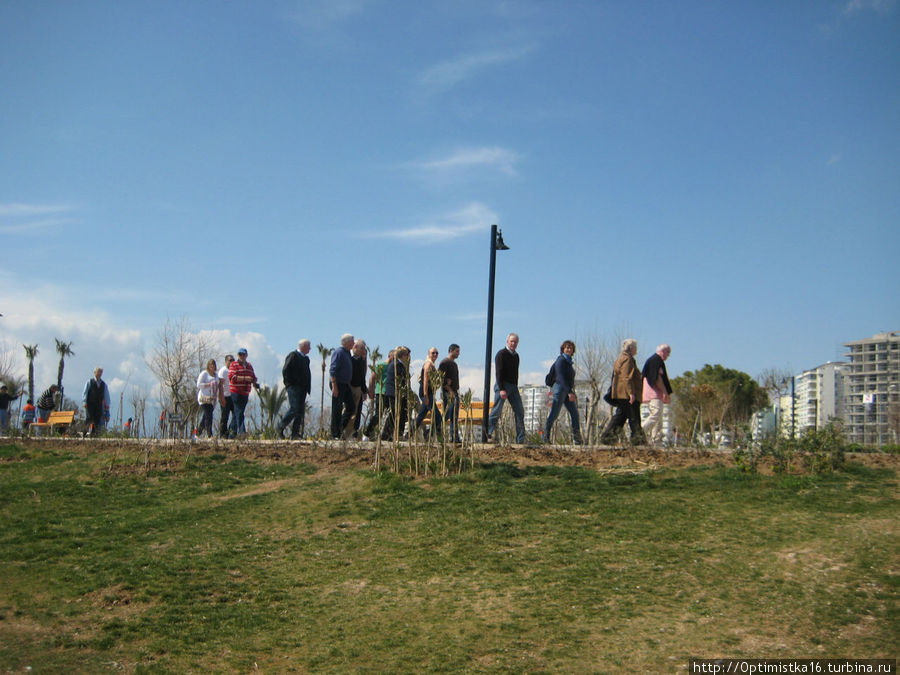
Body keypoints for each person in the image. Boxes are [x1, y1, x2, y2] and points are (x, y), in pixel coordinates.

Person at [600, 339, 645, 445]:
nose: (637, 350)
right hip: (625, 394)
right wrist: (631, 393)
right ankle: (638, 440)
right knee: (634, 417)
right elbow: (626, 377)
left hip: (621, 393)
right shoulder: (627, 359)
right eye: (636, 347)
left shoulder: (622, 358)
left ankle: (608, 438)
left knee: (621, 417)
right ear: (631, 348)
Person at [486, 333, 526, 444]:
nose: (513, 343)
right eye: (511, 341)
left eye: (515, 342)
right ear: (507, 341)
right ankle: (487, 433)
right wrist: (502, 388)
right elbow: (498, 372)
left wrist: (515, 387)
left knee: (520, 411)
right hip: (502, 385)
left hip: (513, 387)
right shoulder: (501, 354)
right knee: (497, 410)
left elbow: (516, 373)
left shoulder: (516, 356)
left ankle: (521, 439)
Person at [543, 340, 583, 445]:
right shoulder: (561, 360)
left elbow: (569, 380)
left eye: (571, 348)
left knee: (574, 414)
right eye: (567, 347)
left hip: (567, 390)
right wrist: (570, 392)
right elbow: (560, 377)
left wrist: (571, 391)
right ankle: (545, 437)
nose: (569, 349)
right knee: (554, 414)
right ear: (563, 349)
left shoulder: (569, 362)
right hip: (560, 389)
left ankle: (577, 439)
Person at [279, 339, 312, 440]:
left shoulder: (306, 359)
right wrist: (289, 383)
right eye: (308, 346)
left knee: (300, 411)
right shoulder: (293, 355)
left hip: (303, 388)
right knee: (294, 408)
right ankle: (280, 427)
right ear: (303, 346)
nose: (310, 348)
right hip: (293, 387)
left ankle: (295, 434)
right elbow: (286, 370)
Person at [641, 344, 673, 446]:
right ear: (663, 351)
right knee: (656, 413)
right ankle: (640, 430)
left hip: (655, 393)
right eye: (668, 352)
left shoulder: (656, 361)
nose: (668, 355)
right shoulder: (656, 361)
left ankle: (655, 442)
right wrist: (665, 392)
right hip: (653, 393)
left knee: (658, 419)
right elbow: (657, 379)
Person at [381, 346, 410, 441]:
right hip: (395, 393)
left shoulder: (398, 364)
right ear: (403, 355)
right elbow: (399, 380)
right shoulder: (397, 365)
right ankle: (388, 434)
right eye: (407, 355)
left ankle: (394, 434)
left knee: (400, 414)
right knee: (395, 414)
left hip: (396, 392)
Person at [329, 334, 355, 439]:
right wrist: (334, 385)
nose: (353, 344)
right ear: (346, 342)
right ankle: (334, 433)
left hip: (345, 384)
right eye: (352, 341)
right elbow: (333, 369)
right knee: (337, 408)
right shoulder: (338, 352)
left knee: (351, 407)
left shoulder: (348, 353)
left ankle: (340, 427)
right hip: (338, 383)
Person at [228, 348, 258, 438]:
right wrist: (245, 378)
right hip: (236, 391)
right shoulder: (234, 364)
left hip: (245, 392)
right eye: (240, 354)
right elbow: (232, 377)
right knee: (239, 411)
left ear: (246, 355)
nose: (242, 356)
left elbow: (253, 376)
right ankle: (242, 432)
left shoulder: (249, 365)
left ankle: (231, 434)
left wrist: (254, 380)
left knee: (237, 413)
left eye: (243, 354)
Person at [414, 347, 442, 439]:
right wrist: (426, 395)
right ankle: (431, 434)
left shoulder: (432, 364)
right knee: (438, 417)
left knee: (421, 416)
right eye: (433, 353)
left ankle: (408, 433)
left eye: (436, 353)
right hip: (426, 393)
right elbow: (425, 380)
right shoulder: (428, 364)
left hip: (428, 393)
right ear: (429, 354)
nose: (435, 355)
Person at [364, 349, 393, 439]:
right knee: (378, 414)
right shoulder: (381, 366)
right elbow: (372, 378)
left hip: (390, 393)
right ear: (390, 356)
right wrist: (370, 390)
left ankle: (386, 434)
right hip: (380, 392)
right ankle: (367, 432)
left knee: (390, 414)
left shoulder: (394, 367)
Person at [438, 344, 461, 443]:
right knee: (447, 415)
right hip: (448, 393)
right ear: (451, 351)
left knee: (454, 416)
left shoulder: (454, 364)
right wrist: (450, 391)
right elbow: (441, 380)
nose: (458, 353)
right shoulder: (444, 363)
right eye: (457, 351)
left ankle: (454, 437)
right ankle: (434, 430)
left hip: (454, 392)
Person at [348, 339, 368, 439]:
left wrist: (364, 391)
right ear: (355, 347)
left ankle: (354, 433)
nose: (363, 352)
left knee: (357, 411)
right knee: (348, 410)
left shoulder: (360, 360)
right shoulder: (348, 357)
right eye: (362, 349)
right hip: (349, 386)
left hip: (358, 387)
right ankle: (344, 431)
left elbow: (362, 376)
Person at [82, 367, 110, 436]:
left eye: (101, 372)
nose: (99, 374)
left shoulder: (103, 384)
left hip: (99, 404)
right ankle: (84, 433)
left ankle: (94, 434)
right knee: (89, 418)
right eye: (98, 372)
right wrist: (84, 402)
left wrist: (107, 407)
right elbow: (85, 392)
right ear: (95, 373)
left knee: (97, 419)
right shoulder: (89, 381)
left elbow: (106, 396)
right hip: (90, 403)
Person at [196, 359, 218, 438]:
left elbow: (218, 384)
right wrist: (208, 384)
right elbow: (198, 384)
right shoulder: (204, 374)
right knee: (209, 416)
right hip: (204, 398)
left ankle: (198, 433)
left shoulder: (216, 375)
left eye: (213, 364)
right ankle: (209, 434)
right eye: (210, 364)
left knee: (205, 416)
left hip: (212, 398)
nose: (212, 366)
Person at [217, 354, 235, 438]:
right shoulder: (223, 371)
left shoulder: (234, 371)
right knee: (225, 417)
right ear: (226, 361)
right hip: (225, 396)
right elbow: (220, 386)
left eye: (233, 360)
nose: (232, 362)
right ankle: (223, 435)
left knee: (236, 415)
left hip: (233, 396)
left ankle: (230, 431)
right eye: (230, 360)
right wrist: (221, 398)